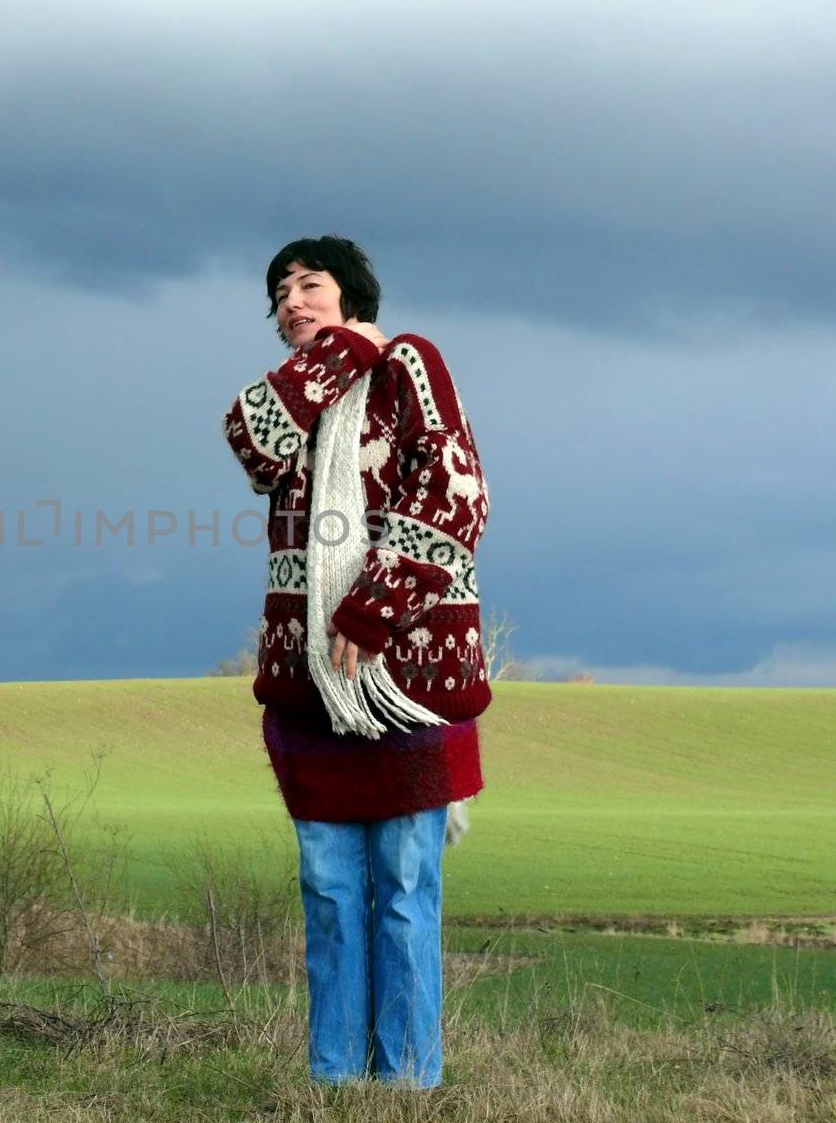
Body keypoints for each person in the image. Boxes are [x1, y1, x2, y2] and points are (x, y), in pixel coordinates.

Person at [220, 235, 490, 1088]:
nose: (291, 302)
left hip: (405, 678)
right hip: (310, 689)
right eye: (278, 295)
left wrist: (374, 610)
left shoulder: (412, 363)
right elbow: (248, 439)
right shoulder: (295, 397)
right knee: (331, 896)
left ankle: (409, 1085)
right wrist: (337, 350)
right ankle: (335, 1084)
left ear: (355, 293)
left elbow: (456, 493)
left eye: (310, 285)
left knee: (405, 891)